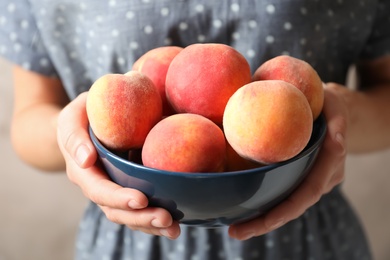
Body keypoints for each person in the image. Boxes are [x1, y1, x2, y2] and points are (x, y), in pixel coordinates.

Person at [1, 0, 389, 259]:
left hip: (307, 237)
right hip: (129, 242)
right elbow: (29, 117)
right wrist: (72, 137)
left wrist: (341, 114)